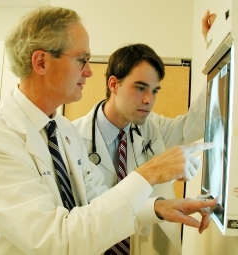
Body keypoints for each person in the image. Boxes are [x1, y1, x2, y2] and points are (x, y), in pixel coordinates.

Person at [0, 6, 217, 255]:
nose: (90, 72)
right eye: (81, 60)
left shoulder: (62, 131)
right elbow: (56, 241)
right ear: (41, 62)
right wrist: (149, 173)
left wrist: (160, 207)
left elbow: (102, 203)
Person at [72, 11, 216, 255]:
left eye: (155, 90)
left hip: (147, 246)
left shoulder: (154, 128)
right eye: (140, 88)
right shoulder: (74, 137)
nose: (149, 100)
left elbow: (197, 122)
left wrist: (212, 47)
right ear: (114, 84)